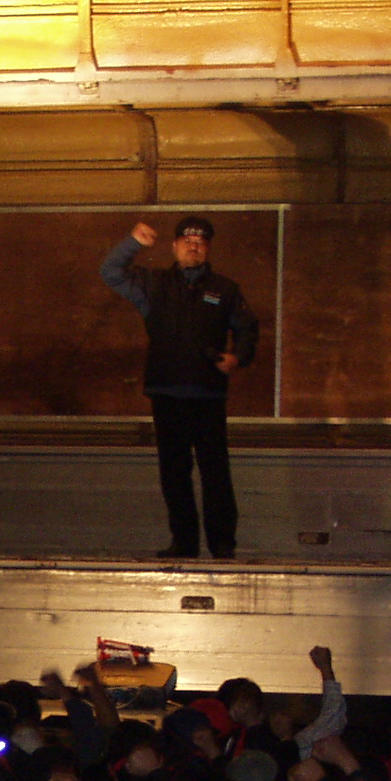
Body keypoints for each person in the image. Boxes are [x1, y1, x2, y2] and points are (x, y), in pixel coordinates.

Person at [99, 216, 261, 560]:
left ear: (208, 249)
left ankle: (222, 545)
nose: (193, 247)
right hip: (167, 392)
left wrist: (238, 357)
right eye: (187, 241)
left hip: (208, 394)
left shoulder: (225, 289)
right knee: (174, 474)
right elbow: (110, 272)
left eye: (200, 242)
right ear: (174, 247)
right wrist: (133, 243)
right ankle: (184, 544)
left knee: (215, 472)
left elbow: (247, 329)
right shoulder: (153, 285)